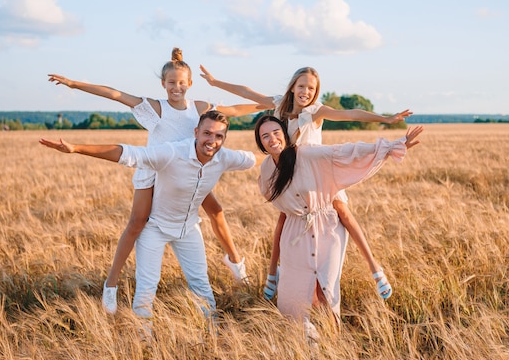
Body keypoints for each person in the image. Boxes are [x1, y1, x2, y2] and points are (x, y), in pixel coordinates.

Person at [48, 48, 261, 315]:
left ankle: (235, 263)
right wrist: (74, 84)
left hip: (189, 168)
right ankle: (111, 283)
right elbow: (114, 93)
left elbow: (236, 110)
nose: (176, 87)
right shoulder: (155, 107)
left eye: (182, 83)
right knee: (138, 222)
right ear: (163, 84)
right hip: (154, 168)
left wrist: (271, 103)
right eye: (171, 83)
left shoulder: (200, 108)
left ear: (190, 84)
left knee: (216, 210)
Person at [199, 65, 412, 301]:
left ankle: (376, 271)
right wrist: (214, 81)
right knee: (284, 219)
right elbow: (248, 92)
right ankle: (273, 274)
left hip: (317, 171)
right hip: (291, 172)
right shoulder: (279, 104)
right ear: (293, 87)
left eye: (311, 88)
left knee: (343, 211)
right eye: (302, 86)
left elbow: (350, 114)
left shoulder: (316, 111)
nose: (306, 91)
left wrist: (386, 119)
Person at [39, 110, 256, 332]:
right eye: (207, 133)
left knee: (201, 285)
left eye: (219, 136)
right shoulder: (172, 152)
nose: (212, 140)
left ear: (225, 139)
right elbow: (128, 153)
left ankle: (213, 335)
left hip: (189, 229)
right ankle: (143, 340)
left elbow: (252, 158)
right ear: (196, 132)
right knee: (146, 289)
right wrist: (76, 148)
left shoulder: (225, 158)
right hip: (156, 228)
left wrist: (281, 144)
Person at [253, 115, 423, 339]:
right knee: (294, 297)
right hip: (295, 233)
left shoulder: (306, 153)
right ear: (261, 143)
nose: (272, 138)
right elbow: (283, 216)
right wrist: (272, 272)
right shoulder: (266, 171)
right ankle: (302, 345)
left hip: (327, 229)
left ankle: (333, 345)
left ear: (285, 134)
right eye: (265, 136)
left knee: (325, 289)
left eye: (276, 132)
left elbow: (344, 151)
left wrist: (393, 146)